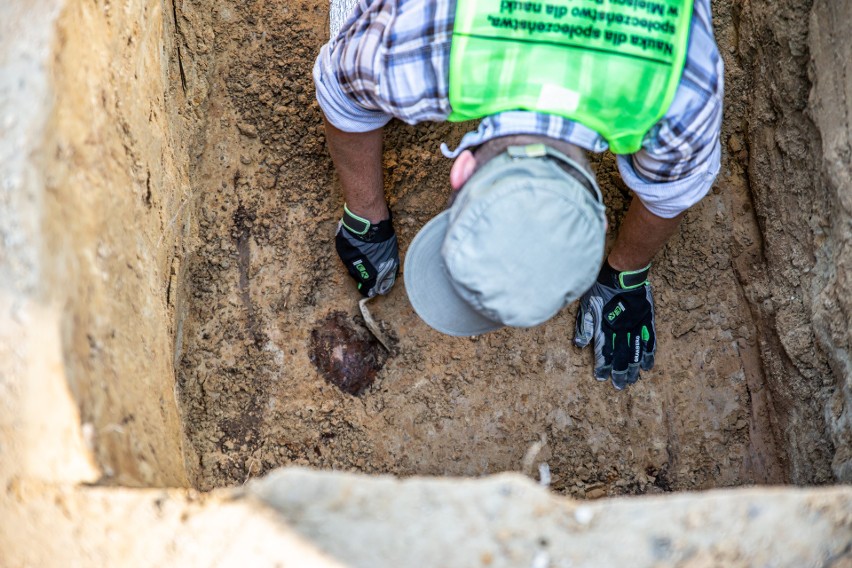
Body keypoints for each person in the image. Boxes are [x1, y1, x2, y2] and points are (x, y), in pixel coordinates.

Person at [313, 0, 723, 390]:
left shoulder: (681, 93)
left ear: (462, 169)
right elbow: (341, 93)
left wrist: (626, 274)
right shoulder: (405, 47)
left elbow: (669, 195)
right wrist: (363, 212)